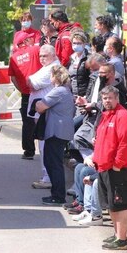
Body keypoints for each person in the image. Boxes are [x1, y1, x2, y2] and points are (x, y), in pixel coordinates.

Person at [93, 85, 127, 250]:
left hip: (119, 169)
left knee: (120, 204)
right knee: (112, 204)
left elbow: (125, 143)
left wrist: (118, 164)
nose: (107, 101)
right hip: (105, 167)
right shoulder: (105, 116)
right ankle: (117, 234)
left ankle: (121, 239)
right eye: (105, 98)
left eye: (110, 98)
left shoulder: (122, 115)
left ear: (117, 98)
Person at [34, 66, 75, 205]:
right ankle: (56, 194)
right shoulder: (64, 90)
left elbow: (40, 107)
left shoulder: (58, 92)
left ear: (55, 77)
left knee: (53, 163)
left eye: (51, 75)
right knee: (51, 162)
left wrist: (38, 103)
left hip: (56, 132)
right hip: (60, 131)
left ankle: (58, 196)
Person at [27, 44, 60, 188]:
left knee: (45, 145)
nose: (41, 58)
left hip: (46, 111)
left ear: (53, 55)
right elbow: (29, 82)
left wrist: (29, 80)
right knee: (42, 146)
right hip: (41, 111)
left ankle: (48, 178)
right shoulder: (46, 67)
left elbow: (33, 84)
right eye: (40, 56)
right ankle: (46, 176)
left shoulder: (53, 68)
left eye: (44, 56)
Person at [8, 31, 41, 159]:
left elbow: (13, 79)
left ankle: (29, 151)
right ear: (26, 41)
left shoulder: (13, 58)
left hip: (26, 93)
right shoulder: (35, 50)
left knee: (27, 122)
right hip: (40, 90)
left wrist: (22, 89)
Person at [68, 31, 90, 97]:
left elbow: (92, 79)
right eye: (74, 43)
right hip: (73, 95)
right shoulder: (71, 58)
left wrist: (88, 95)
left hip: (85, 95)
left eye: (79, 43)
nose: (76, 45)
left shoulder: (89, 58)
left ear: (84, 44)